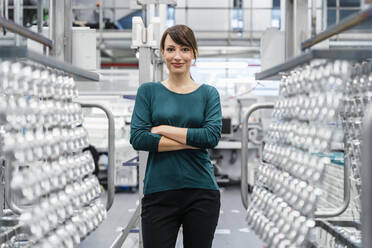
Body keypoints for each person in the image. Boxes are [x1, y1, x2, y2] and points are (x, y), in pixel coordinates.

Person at [130, 24, 222, 248]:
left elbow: (211, 137)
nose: (177, 56)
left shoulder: (208, 94)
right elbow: (139, 138)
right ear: (163, 53)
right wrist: (193, 141)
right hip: (158, 193)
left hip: (201, 191)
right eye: (171, 49)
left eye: (184, 49)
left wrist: (162, 129)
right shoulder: (148, 92)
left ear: (194, 53)